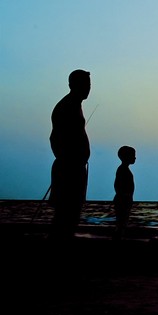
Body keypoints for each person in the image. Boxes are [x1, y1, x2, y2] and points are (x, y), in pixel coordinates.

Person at [49, 69, 91, 240]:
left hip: (75, 167)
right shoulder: (66, 106)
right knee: (66, 214)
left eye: (89, 84)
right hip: (69, 169)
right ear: (73, 85)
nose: (88, 88)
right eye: (85, 84)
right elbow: (55, 138)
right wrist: (69, 160)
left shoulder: (75, 105)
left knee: (72, 214)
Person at [113, 146, 136, 240]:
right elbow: (117, 184)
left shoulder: (124, 169)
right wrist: (124, 195)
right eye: (133, 156)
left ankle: (119, 237)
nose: (135, 158)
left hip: (125, 198)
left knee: (123, 221)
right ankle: (118, 238)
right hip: (123, 199)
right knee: (121, 221)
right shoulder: (122, 169)